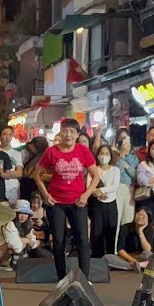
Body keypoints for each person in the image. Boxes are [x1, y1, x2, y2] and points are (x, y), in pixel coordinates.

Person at [35, 119, 101, 279]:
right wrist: (46, 195)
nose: (68, 135)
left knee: (82, 241)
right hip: (56, 203)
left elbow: (96, 176)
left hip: (78, 202)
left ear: (77, 135)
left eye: (72, 132)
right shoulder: (51, 152)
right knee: (58, 241)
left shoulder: (83, 151)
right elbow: (37, 175)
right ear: (60, 133)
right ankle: (61, 278)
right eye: (65, 131)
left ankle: (84, 279)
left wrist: (86, 195)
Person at [88, 144, 120, 258]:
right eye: (101, 153)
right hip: (97, 204)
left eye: (106, 154)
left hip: (111, 204)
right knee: (96, 232)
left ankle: (111, 258)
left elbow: (114, 187)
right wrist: (97, 194)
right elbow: (89, 186)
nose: (104, 156)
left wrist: (99, 190)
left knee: (111, 230)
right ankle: (97, 258)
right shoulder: (94, 169)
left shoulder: (115, 170)